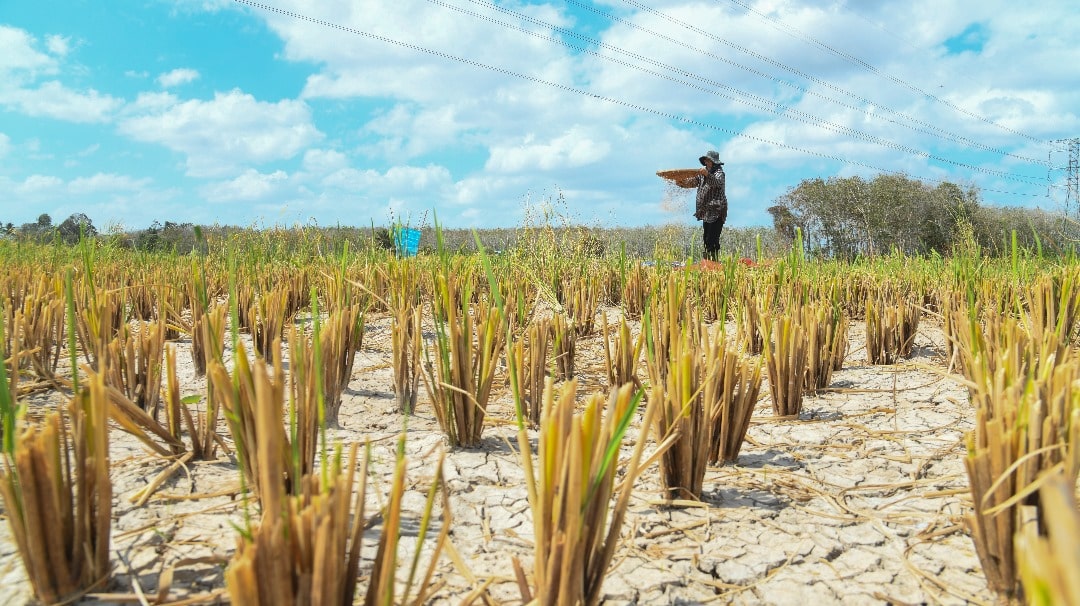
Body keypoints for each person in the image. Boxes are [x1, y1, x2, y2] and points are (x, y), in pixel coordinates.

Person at [678, 150, 728, 261]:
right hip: (706, 211)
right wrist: (681, 183)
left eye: (708, 160)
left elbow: (716, 183)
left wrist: (707, 175)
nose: (706, 162)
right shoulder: (701, 175)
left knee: (712, 238)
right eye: (706, 160)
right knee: (706, 238)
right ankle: (708, 262)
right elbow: (692, 183)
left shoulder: (719, 173)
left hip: (716, 210)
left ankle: (713, 262)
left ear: (714, 162)